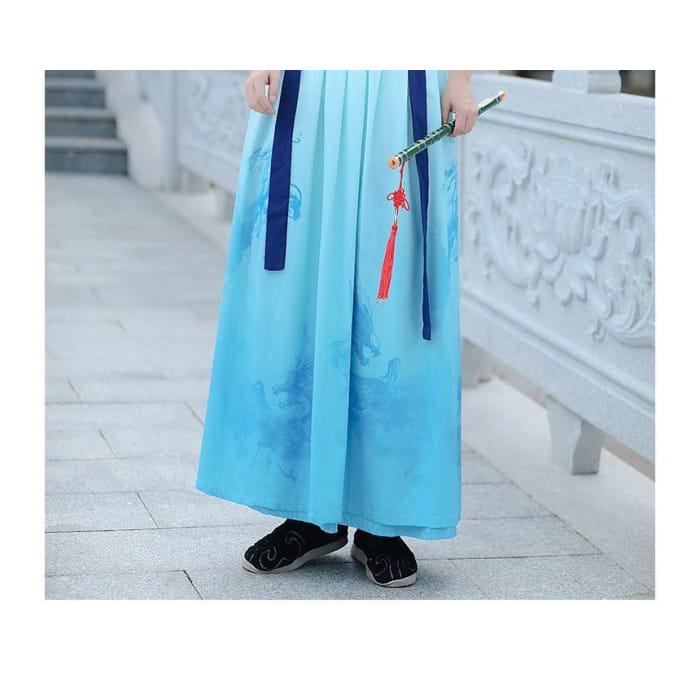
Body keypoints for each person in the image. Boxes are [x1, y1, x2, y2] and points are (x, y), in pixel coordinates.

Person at [196, 70, 477, 588]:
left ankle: (381, 519)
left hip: (400, 88)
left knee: (390, 304)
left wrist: (459, 77)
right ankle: (308, 513)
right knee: (301, 288)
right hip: (313, 85)